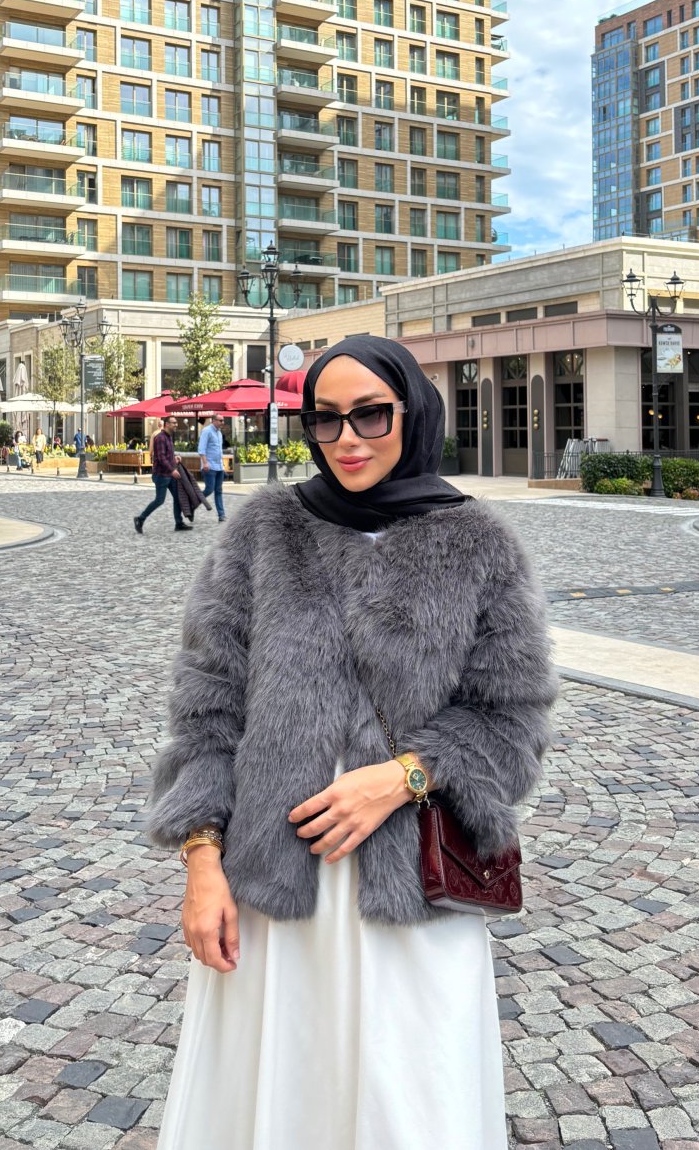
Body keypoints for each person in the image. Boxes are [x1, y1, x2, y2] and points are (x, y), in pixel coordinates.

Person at [147, 335, 556, 1150]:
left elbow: (513, 722)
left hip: (411, 895)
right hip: (274, 891)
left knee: (410, 1102)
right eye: (326, 420)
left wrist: (403, 777)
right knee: (277, 1093)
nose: (348, 439)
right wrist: (200, 860)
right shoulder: (264, 533)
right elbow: (206, 709)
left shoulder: (480, 546)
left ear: (413, 410)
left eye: (371, 414)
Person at [134, 416, 189, 534]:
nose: (176, 425)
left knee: (178, 497)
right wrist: (172, 470)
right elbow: (161, 457)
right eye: (173, 423)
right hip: (161, 475)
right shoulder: (160, 438)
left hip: (169, 475)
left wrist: (175, 458)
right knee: (159, 500)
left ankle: (179, 523)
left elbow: (167, 456)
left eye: (176, 423)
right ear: (166, 424)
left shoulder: (169, 437)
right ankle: (140, 519)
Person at [196, 413, 227, 522]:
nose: (222, 422)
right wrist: (205, 463)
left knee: (218, 491)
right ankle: (193, 503)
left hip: (219, 467)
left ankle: (221, 515)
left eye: (223, 420)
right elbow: (201, 449)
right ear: (213, 421)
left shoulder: (219, 433)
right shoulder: (207, 431)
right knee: (209, 489)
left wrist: (222, 465)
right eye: (220, 420)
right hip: (209, 467)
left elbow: (219, 451)